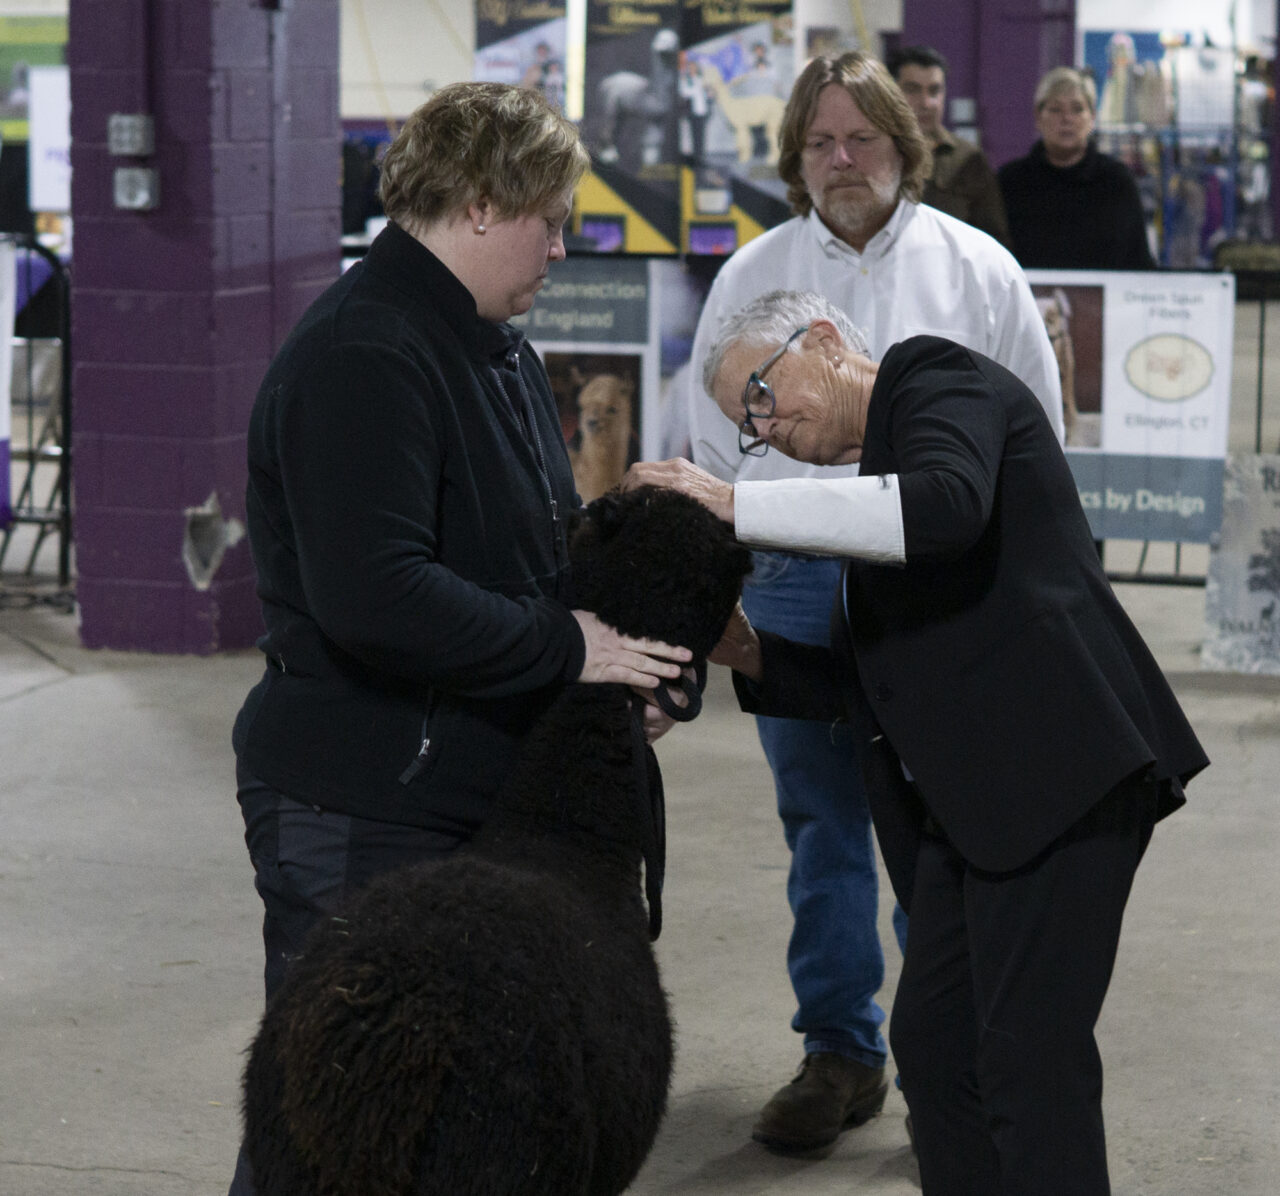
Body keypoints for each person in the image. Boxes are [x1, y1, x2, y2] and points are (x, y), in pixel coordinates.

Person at [628, 288, 1208, 1195]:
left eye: (761, 398)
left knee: (1027, 1059)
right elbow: (882, 691)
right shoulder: (872, 504)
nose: (765, 432)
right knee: (937, 1052)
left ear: (821, 340)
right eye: (747, 427)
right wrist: (744, 649)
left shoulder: (936, 380)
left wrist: (734, 504)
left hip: (1061, 777)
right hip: (976, 807)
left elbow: (945, 509)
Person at [227, 83, 691, 1195]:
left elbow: (538, 558)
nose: (562, 246)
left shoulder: (495, 354)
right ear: (482, 203)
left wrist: (626, 665)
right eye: (552, 217)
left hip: (462, 791)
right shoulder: (365, 354)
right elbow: (376, 593)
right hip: (362, 799)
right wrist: (564, 649)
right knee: (327, 1136)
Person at [684, 49, 1063, 1157]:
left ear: (905, 145)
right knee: (822, 825)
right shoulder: (746, 276)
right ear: (794, 156)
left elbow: (1029, 433)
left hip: (935, 590)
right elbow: (717, 451)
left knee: (942, 828)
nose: (841, 160)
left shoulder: (975, 269)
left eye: (862, 139)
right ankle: (841, 1050)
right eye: (818, 143)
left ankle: (948, 1051)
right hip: (797, 580)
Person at [998, 66, 1157, 270]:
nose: (1067, 119)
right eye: (1055, 110)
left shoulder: (1116, 181)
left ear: (1092, 118)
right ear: (1038, 118)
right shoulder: (1011, 182)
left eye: (1077, 109)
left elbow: (1138, 258)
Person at [886, 44, 1010, 246]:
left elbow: (994, 238)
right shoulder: (873, 153)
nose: (926, 103)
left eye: (935, 91)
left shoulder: (968, 159)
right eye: (912, 90)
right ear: (891, 93)